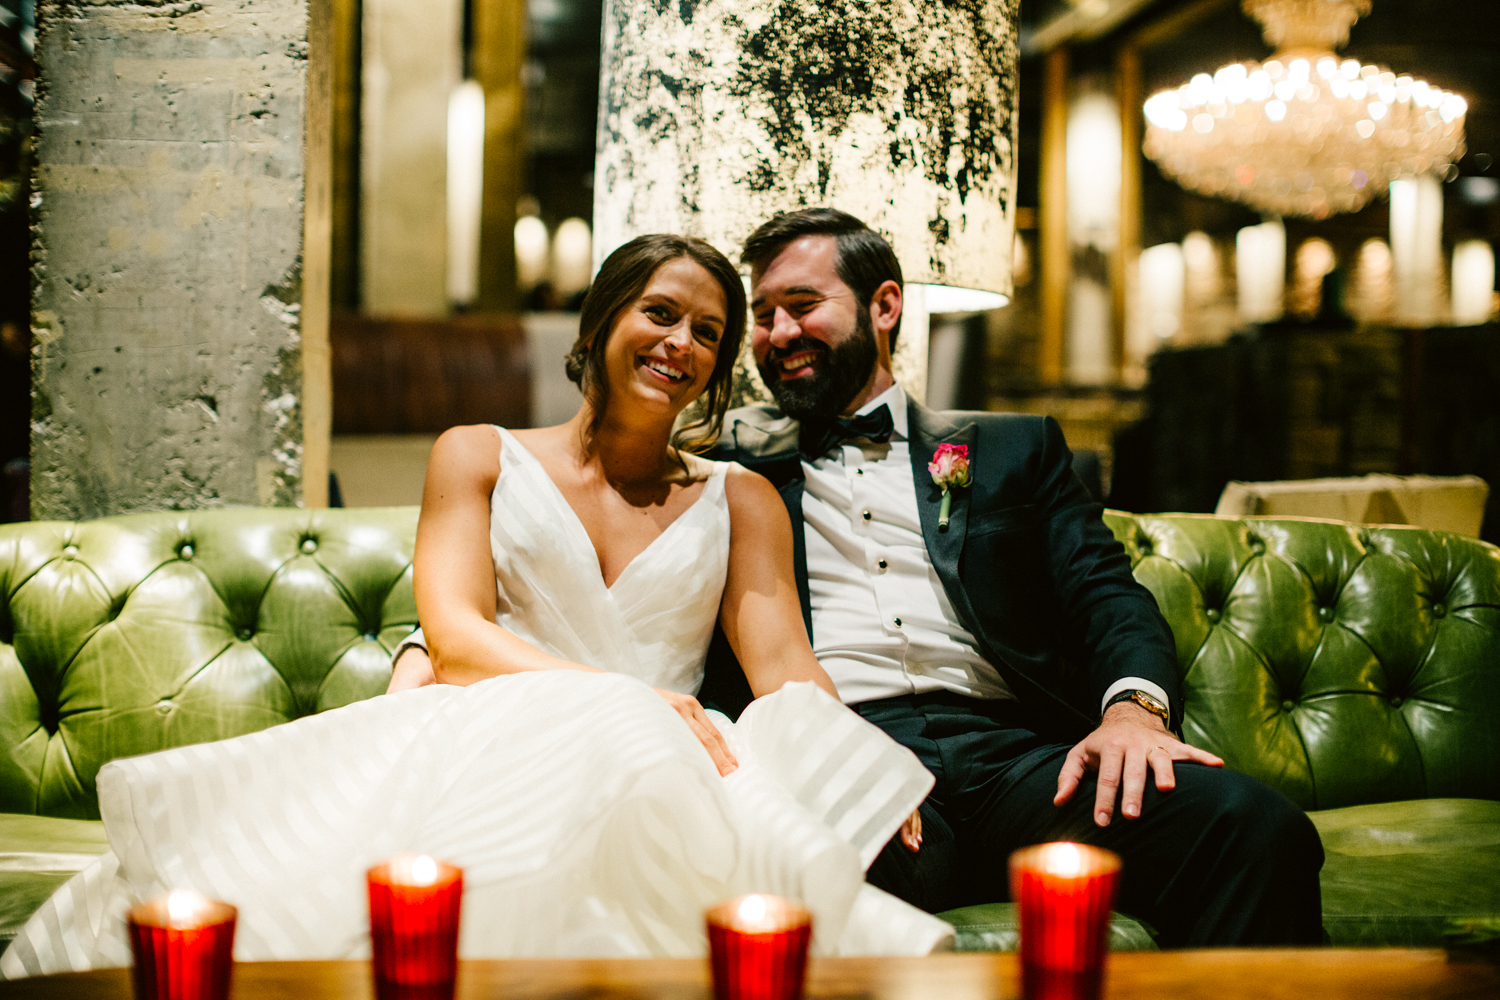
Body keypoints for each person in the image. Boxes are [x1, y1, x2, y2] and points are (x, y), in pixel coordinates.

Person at [0, 235, 952, 981]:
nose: (682, 345)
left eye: (708, 334)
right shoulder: (477, 453)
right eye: (661, 314)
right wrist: (624, 698)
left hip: (666, 756)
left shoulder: (740, 498)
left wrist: (854, 745)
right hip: (498, 722)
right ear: (599, 322)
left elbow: (782, 659)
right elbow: (452, 638)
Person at [395, 210, 1326, 948]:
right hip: (844, 746)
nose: (775, 333)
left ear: (884, 306)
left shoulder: (1011, 449)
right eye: (758, 319)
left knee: (1254, 828)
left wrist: (1133, 711)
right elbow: (559, 555)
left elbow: (1103, 594)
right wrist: (421, 645)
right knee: (788, 876)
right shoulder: (733, 469)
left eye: (800, 305)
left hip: (1018, 757)